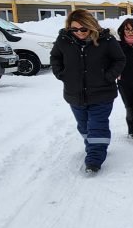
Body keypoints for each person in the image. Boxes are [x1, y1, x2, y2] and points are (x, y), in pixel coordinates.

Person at [50, 9, 126, 173]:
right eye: (74, 29)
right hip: (74, 94)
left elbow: (120, 59)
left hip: (102, 94)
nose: (79, 33)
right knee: (84, 126)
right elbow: (55, 57)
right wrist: (61, 73)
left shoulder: (106, 40)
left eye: (83, 29)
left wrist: (109, 76)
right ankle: (94, 146)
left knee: (97, 126)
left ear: (91, 26)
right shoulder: (63, 39)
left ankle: (94, 160)